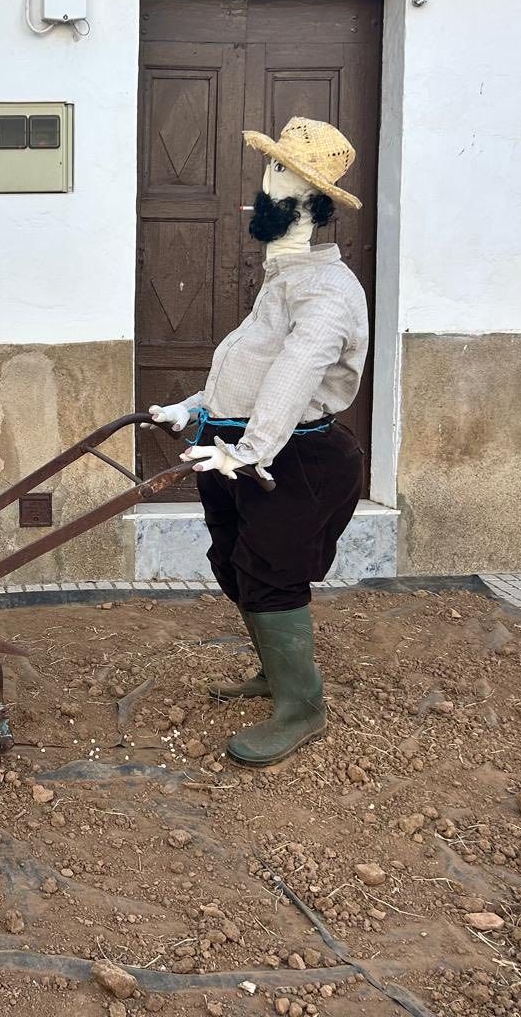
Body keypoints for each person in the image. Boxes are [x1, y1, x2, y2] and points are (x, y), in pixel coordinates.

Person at [149, 117, 369, 767]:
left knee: (272, 574)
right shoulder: (285, 279)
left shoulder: (329, 294)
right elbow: (244, 367)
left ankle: (303, 708)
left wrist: (248, 455)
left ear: (308, 204)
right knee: (238, 561)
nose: (259, 197)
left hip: (293, 457)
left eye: (275, 183)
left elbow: (291, 380)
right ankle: (276, 674)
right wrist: (189, 411)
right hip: (243, 443)